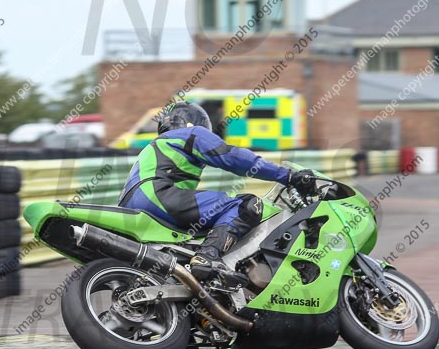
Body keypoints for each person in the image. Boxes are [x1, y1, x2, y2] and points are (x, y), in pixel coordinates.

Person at [118, 101, 317, 282]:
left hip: (132, 207)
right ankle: (207, 257)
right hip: (159, 197)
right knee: (246, 205)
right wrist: (288, 176)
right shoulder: (191, 133)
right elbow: (233, 157)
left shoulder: (154, 146)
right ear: (192, 122)